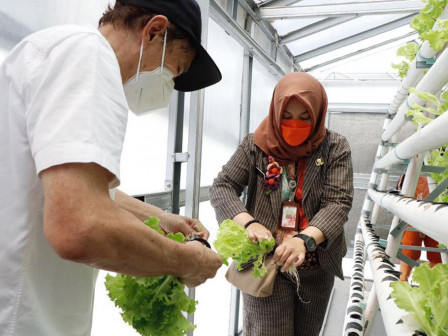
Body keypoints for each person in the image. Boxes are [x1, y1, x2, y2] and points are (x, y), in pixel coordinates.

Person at [0, 0, 223, 335]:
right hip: (22, 319)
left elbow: (67, 185)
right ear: (154, 31)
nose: (167, 88)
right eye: (172, 72)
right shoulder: (88, 57)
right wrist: (186, 261)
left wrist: (157, 218)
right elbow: (79, 225)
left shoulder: (54, 50)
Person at [210, 72, 354, 336]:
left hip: (315, 266)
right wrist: (248, 223)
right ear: (276, 111)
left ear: (318, 114)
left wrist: (304, 240)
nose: (294, 124)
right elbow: (223, 186)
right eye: (287, 116)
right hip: (266, 262)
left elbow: (338, 201)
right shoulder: (255, 146)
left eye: (305, 117)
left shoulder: (334, 147)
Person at [396, 175, 442, 281]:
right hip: (415, 200)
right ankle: (402, 283)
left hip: (436, 211)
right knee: (410, 247)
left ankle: (437, 291)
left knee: (437, 252)